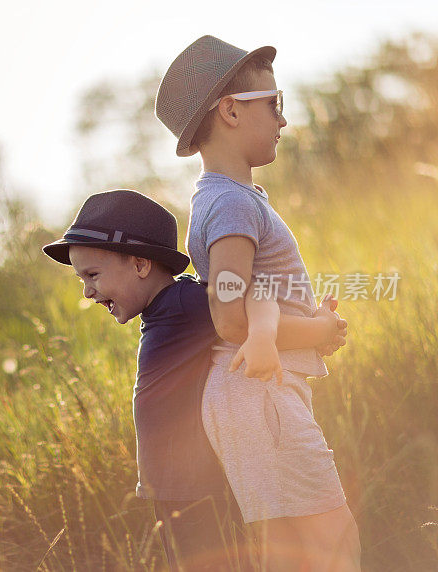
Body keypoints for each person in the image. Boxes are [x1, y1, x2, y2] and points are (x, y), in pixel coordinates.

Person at [41, 189, 345, 570]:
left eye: (93, 275)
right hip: (171, 490)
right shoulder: (165, 309)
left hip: (196, 488)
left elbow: (254, 297)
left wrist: (318, 328)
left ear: (139, 265)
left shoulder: (184, 301)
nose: (86, 291)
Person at [155, 35, 361, 570]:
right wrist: (318, 333)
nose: (282, 121)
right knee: (335, 544)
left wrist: (311, 323)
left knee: (294, 555)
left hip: (259, 393)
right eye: (274, 104)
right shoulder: (229, 204)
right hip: (258, 394)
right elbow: (230, 316)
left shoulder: (234, 200)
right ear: (230, 111)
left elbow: (253, 297)